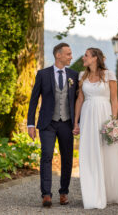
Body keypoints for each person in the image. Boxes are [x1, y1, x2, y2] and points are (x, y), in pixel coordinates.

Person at [73, 47, 118, 209]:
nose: (83, 58)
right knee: (89, 153)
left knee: (107, 153)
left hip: (104, 117)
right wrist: (76, 122)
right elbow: (79, 99)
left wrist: (113, 122)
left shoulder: (109, 75)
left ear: (94, 58)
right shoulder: (82, 75)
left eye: (86, 55)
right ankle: (92, 194)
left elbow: (114, 100)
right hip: (87, 116)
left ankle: (109, 192)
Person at [27, 43, 78, 207]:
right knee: (47, 155)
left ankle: (64, 192)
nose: (71, 56)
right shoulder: (43, 74)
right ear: (58, 55)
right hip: (47, 123)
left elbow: (79, 101)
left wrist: (79, 123)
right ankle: (46, 194)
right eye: (68, 54)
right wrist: (30, 124)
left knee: (67, 159)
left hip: (67, 123)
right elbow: (34, 100)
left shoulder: (74, 75)